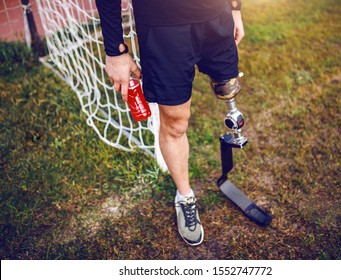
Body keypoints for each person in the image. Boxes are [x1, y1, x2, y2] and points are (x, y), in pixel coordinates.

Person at [95, 0, 244, 246]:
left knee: (228, 90)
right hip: (164, 26)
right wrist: (115, 50)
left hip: (217, 17)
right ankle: (184, 197)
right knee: (176, 122)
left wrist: (236, 9)